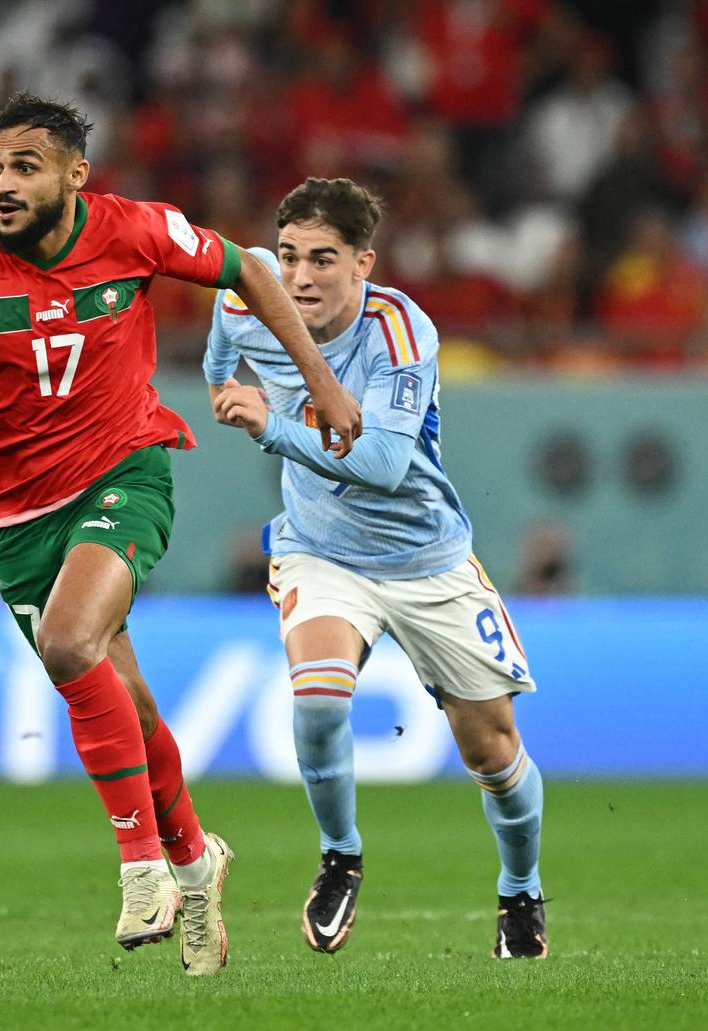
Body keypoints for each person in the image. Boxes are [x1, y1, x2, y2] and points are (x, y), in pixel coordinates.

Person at [0, 92, 362, 975]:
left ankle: (141, 867)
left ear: (74, 175)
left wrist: (320, 381)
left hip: (125, 472)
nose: (4, 185)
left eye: (26, 167)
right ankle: (196, 863)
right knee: (126, 697)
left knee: (68, 641)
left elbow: (248, 269)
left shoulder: (135, 231)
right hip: (16, 516)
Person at [204, 177, 546, 959]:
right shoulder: (250, 295)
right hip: (321, 551)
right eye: (289, 255)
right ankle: (341, 857)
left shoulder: (399, 329)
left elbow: (387, 464)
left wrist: (270, 425)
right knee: (318, 699)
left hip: (427, 558)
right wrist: (225, 385)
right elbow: (224, 333)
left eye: (323, 259)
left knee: (493, 752)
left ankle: (521, 890)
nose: (299, 277)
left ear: (363, 263)